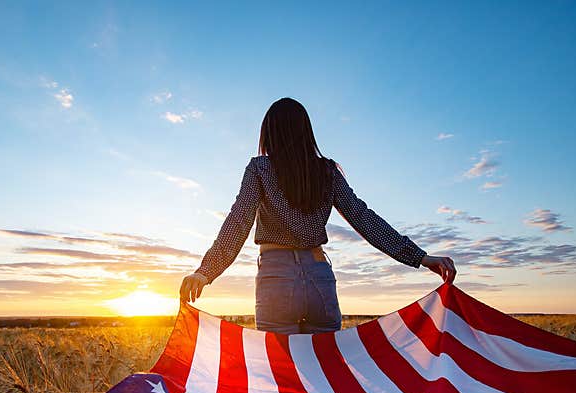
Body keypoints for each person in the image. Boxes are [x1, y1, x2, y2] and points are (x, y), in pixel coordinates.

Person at [179, 97, 456, 335]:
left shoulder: (260, 168)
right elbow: (363, 218)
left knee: (281, 375)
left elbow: (238, 222)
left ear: (269, 133)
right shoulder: (327, 171)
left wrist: (206, 272)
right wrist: (420, 257)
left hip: (276, 278)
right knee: (327, 376)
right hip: (319, 277)